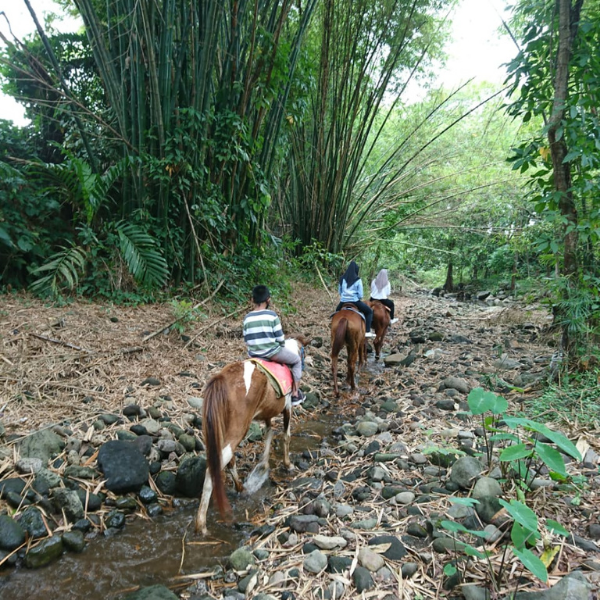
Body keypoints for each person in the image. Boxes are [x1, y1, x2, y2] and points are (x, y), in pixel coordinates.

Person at [243, 285, 306, 406]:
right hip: (272, 353)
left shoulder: (247, 318)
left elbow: (246, 340)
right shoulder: (272, 316)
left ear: (253, 300)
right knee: (297, 361)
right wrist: (280, 345)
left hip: (253, 354)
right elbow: (281, 339)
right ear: (268, 300)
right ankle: (295, 394)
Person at [335, 261, 376, 338]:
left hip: (343, 301)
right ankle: (367, 331)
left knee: (336, 312)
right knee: (369, 312)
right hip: (355, 301)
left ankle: (333, 327)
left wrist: (344, 297)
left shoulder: (342, 278)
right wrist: (357, 297)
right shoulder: (358, 280)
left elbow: (340, 291)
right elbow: (360, 294)